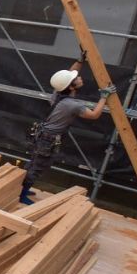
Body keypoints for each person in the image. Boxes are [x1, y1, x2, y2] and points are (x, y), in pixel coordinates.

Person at [20, 56, 115, 205]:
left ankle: (22, 187)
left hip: (42, 136)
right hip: (48, 139)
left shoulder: (58, 94)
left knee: (33, 162)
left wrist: (80, 61)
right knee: (38, 166)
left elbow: (69, 74)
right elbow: (94, 115)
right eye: (76, 79)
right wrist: (104, 97)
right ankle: (22, 193)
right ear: (71, 87)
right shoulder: (72, 105)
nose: (79, 78)